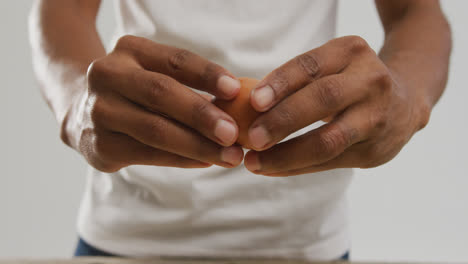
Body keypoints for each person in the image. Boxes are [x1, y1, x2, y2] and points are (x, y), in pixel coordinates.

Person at [28, 0, 451, 261]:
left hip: (304, 243)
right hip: (124, 234)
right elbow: (63, 6)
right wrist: (73, 103)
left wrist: (407, 97)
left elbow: (416, 9)